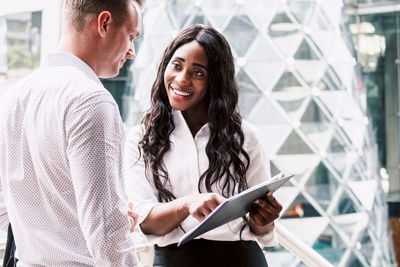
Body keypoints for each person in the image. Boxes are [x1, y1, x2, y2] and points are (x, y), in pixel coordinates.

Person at [125, 24, 283, 267]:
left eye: (198, 73)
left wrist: (265, 219)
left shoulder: (248, 137)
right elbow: (144, 220)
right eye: (176, 66)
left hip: (241, 259)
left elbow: (259, 229)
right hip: (174, 261)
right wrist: (188, 204)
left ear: (216, 81)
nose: (181, 79)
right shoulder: (141, 138)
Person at [0, 0, 142, 265]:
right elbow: (107, 235)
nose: (132, 51)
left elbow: (4, 209)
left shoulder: (13, 97)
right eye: (131, 36)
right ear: (104, 23)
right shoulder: (91, 100)